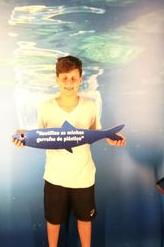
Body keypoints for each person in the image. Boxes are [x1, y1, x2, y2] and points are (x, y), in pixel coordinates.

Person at [12, 55, 125, 247]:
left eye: (73, 78)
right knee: (53, 221)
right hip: (54, 177)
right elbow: (40, 135)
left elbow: (96, 133)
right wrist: (24, 137)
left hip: (84, 176)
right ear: (57, 79)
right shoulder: (45, 108)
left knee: (85, 220)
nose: (69, 82)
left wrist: (112, 138)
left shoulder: (90, 106)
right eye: (64, 78)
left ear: (80, 79)